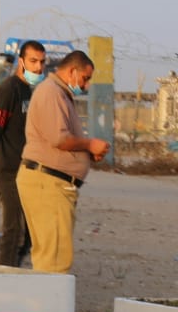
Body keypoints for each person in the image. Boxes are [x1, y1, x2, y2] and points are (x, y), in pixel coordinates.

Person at [16, 49, 109, 274]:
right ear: (72, 71)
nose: (86, 86)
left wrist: (87, 152)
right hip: (49, 183)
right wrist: (89, 145)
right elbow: (59, 138)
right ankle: (51, 309)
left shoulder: (59, 94)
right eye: (85, 79)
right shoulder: (51, 92)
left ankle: (44, 307)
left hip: (50, 183)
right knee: (54, 261)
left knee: (49, 256)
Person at [0, 40, 46, 267]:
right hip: (9, 173)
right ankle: (4, 279)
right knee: (13, 230)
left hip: (27, 171)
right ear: (22, 61)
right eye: (33, 61)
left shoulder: (28, 90)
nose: (38, 67)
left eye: (42, 62)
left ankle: (14, 274)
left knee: (27, 235)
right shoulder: (9, 90)